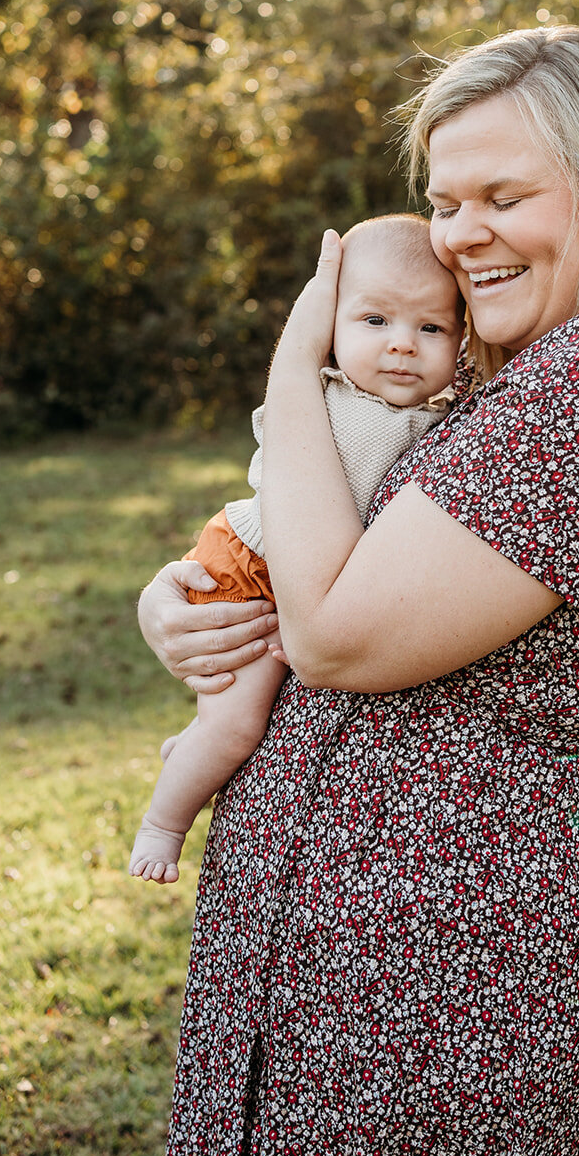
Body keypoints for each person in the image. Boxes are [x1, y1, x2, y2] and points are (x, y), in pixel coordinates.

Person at [136, 25, 579, 1156]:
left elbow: (336, 636)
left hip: (436, 988)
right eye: (441, 199)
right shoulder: (500, 385)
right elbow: (327, 563)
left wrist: (288, 367)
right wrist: (188, 594)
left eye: (502, 195)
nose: (458, 233)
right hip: (341, 985)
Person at [129, 214, 463, 883]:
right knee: (236, 728)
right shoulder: (335, 402)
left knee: (228, 721)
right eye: (375, 321)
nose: (401, 345)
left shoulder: (439, 414)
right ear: (329, 329)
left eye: (430, 328)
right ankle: (162, 824)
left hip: (290, 570)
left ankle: (193, 746)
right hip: (251, 566)